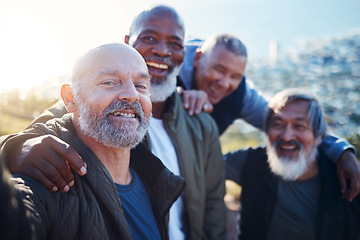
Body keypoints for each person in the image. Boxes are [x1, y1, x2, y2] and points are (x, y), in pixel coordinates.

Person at [1, 5, 226, 239]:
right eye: (110, 82)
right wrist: (13, 149)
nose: (162, 51)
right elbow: (37, 136)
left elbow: (213, 208)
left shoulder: (197, 120)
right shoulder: (83, 112)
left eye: (141, 85)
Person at [6, 43, 186, 239]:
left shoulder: (153, 177)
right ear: (71, 98)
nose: (132, 94)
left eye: (141, 85)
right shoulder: (47, 179)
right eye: (109, 82)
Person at [178, 33, 360, 201]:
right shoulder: (169, 69)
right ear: (198, 58)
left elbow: (283, 120)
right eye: (219, 69)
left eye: (235, 76)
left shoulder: (241, 95)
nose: (225, 83)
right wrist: (176, 102)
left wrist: (342, 152)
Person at [225, 88, 360, 240]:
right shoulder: (251, 162)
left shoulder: (346, 179)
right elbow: (202, 165)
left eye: (299, 126)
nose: (287, 136)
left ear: (319, 136)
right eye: (278, 125)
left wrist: (344, 152)